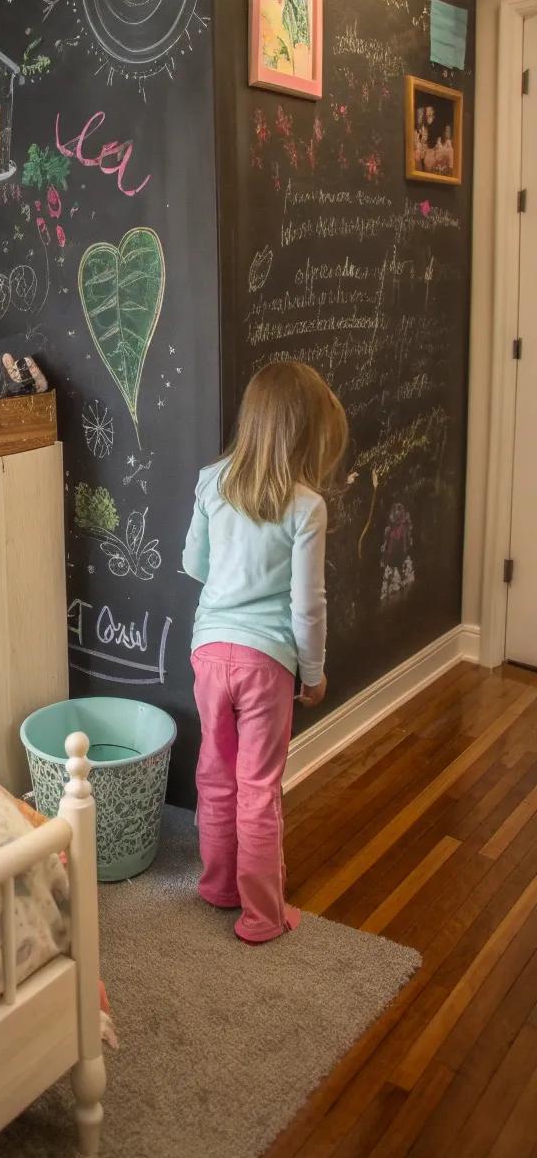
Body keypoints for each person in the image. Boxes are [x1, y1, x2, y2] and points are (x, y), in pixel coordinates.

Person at [181, 360, 348, 943]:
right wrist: (315, 671)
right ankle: (261, 915)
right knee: (258, 785)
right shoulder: (305, 507)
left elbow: (193, 566)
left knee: (215, 772)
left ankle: (218, 885)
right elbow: (309, 604)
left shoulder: (211, 481)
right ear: (304, 432)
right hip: (266, 663)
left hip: (209, 653)